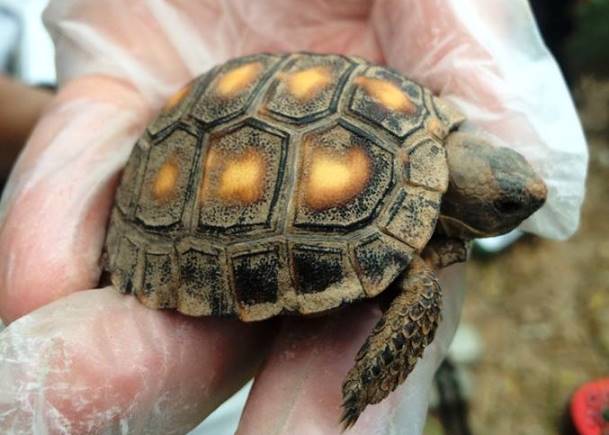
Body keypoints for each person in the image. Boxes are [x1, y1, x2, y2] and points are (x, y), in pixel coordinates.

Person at [0, 1, 587, 434]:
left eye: (509, 200)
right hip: (181, 190)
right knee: (421, 298)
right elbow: (414, 294)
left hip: (217, 103)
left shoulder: (416, 105)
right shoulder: (415, 214)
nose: (526, 200)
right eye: (506, 206)